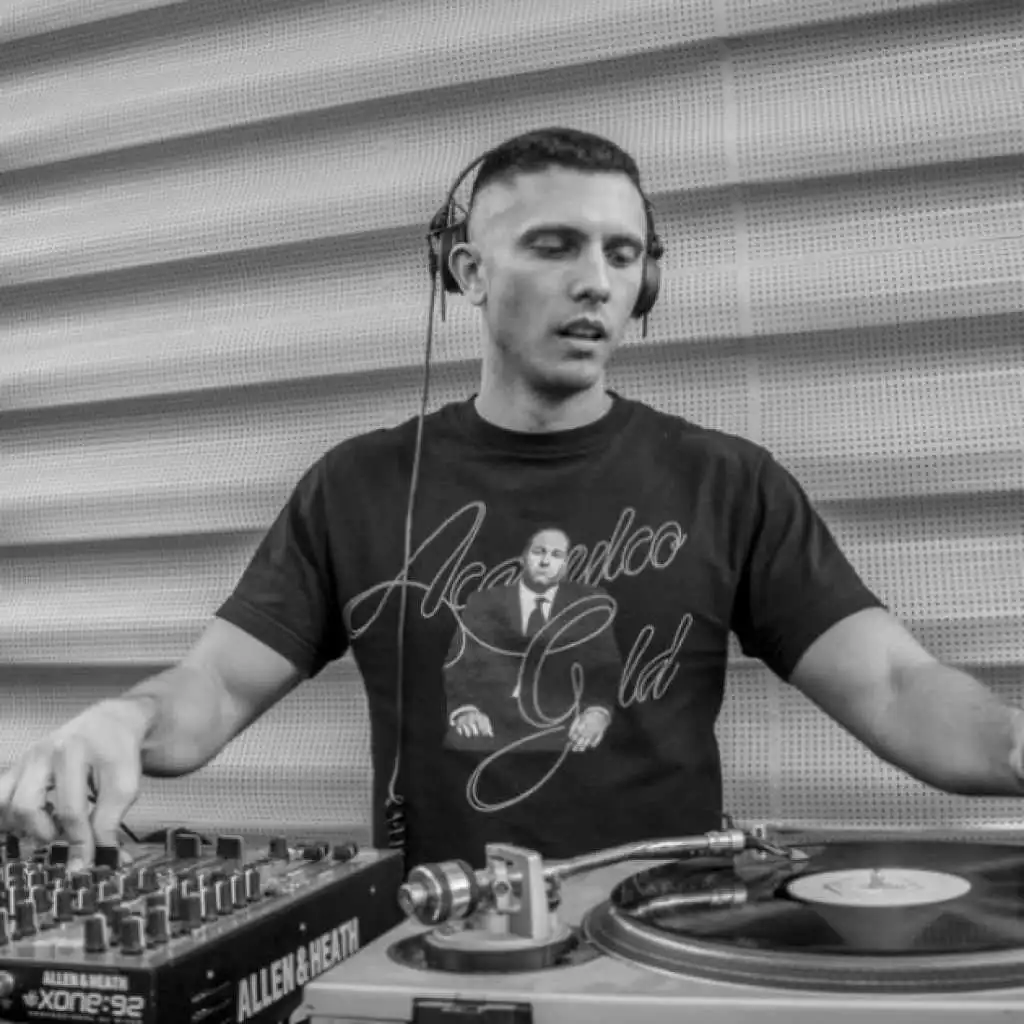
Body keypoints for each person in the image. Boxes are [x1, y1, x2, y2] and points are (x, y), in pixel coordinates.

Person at [2, 126, 1022, 872]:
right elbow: (216, 690)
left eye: (623, 254)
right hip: (438, 944)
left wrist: (1014, 742)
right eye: (553, 245)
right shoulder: (357, 486)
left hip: (658, 950)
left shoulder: (727, 481)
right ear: (467, 271)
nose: (596, 282)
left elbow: (895, 687)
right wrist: (124, 718)